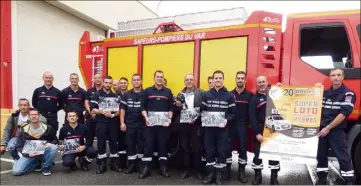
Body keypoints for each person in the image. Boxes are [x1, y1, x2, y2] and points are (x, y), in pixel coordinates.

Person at [315, 68, 355, 185]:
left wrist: (328, 127)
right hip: (322, 130)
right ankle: (322, 179)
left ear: (343, 77)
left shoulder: (348, 94)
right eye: (333, 75)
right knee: (321, 156)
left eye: (338, 75)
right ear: (330, 78)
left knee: (342, 156)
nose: (336, 77)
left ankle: (349, 181)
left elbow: (343, 114)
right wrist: (314, 90)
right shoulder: (325, 93)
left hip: (335, 130)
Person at [202, 70, 236, 185]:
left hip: (222, 130)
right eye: (216, 78)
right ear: (213, 79)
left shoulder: (229, 96)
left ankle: (219, 176)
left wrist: (226, 120)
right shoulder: (207, 94)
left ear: (223, 79)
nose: (217, 80)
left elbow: (233, 113)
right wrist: (204, 117)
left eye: (220, 78)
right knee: (210, 152)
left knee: (221, 152)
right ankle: (210, 175)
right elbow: (203, 110)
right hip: (209, 130)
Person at [139, 70, 174, 179]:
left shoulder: (168, 92)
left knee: (163, 146)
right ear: (154, 78)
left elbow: (171, 108)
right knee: (148, 146)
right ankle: (146, 169)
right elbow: (143, 107)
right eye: (157, 77)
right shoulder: (148, 91)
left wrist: (169, 119)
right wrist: (146, 118)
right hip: (150, 125)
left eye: (161, 77)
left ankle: (163, 168)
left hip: (163, 126)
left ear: (163, 79)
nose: (159, 78)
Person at [249, 76, 280, 185]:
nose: (261, 84)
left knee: (274, 154)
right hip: (260, 130)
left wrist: (282, 89)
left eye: (263, 82)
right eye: (259, 82)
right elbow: (251, 117)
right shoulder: (254, 99)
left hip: (274, 130)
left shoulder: (275, 94)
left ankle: (274, 178)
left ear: (267, 82)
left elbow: (293, 97)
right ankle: (258, 177)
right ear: (257, 84)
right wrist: (257, 133)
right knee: (258, 155)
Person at [174, 73, 204, 180]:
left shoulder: (200, 93)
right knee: (184, 147)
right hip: (183, 125)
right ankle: (186, 170)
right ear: (184, 82)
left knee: (196, 148)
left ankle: (197, 171)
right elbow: (176, 111)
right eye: (187, 80)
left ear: (194, 81)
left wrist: (196, 118)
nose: (189, 81)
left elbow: (203, 108)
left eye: (191, 79)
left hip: (195, 125)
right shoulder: (180, 94)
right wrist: (176, 106)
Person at [12, 108, 58, 176]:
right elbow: (19, 146)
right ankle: (35, 163)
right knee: (16, 172)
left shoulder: (48, 128)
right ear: (29, 116)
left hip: (43, 153)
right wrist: (27, 154)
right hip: (30, 154)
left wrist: (51, 143)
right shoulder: (23, 129)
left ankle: (46, 167)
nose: (33, 116)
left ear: (39, 116)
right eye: (31, 115)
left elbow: (55, 139)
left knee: (53, 147)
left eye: (35, 114)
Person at [90, 76, 122, 174]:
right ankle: (102, 164)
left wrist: (113, 115)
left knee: (113, 143)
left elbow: (119, 111)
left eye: (110, 83)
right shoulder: (96, 95)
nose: (108, 85)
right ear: (103, 83)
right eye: (106, 83)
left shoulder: (116, 96)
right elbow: (93, 109)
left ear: (112, 84)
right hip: (101, 123)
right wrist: (102, 112)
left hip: (113, 123)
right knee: (101, 143)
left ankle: (114, 164)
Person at [226, 71, 253, 182]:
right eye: (238, 78)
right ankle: (227, 171)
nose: (240, 80)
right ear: (235, 79)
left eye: (242, 78)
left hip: (243, 126)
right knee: (227, 149)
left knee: (243, 149)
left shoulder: (250, 95)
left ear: (245, 80)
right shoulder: (229, 94)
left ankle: (241, 173)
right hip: (230, 126)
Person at [120, 74, 145, 174]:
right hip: (129, 125)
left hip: (142, 125)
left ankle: (140, 166)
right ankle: (132, 166)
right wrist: (122, 123)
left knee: (141, 145)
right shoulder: (126, 94)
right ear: (132, 82)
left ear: (141, 81)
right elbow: (122, 110)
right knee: (130, 146)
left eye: (138, 80)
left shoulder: (145, 93)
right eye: (134, 80)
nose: (136, 82)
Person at [84, 73, 103, 147]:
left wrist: (98, 113)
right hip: (90, 118)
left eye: (99, 78)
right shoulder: (89, 90)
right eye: (96, 78)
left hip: (101, 118)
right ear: (93, 80)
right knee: (89, 137)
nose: (97, 79)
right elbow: (86, 103)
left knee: (101, 137)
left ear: (102, 79)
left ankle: (100, 153)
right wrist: (92, 113)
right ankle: (89, 154)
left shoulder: (105, 91)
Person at [114, 77, 128, 170]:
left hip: (129, 121)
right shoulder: (115, 96)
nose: (123, 84)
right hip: (117, 121)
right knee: (120, 142)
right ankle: (121, 163)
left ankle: (129, 162)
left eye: (125, 83)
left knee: (129, 142)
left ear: (128, 84)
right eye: (121, 83)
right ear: (119, 84)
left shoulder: (130, 94)